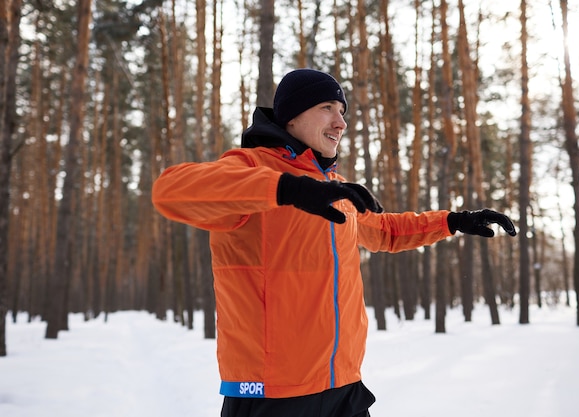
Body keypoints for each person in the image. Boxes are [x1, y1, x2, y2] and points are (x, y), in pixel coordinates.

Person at [152, 68, 517, 417]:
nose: (340, 123)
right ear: (291, 117)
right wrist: (285, 189)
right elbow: (170, 192)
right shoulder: (251, 169)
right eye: (327, 108)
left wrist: (452, 221)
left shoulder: (333, 188)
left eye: (342, 112)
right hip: (272, 394)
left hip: (342, 385)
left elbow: (383, 231)